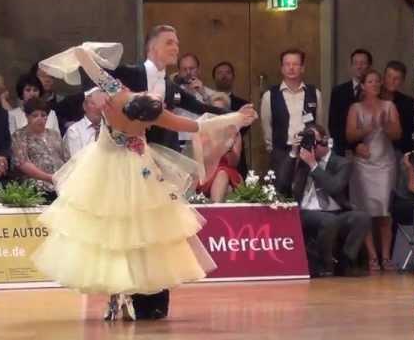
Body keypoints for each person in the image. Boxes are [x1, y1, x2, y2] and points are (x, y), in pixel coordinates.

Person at [33, 43, 257, 320]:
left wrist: (85, 52)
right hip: (137, 171)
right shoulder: (150, 109)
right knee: (144, 230)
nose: (149, 127)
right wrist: (238, 117)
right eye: (148, 124)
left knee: (111, 234)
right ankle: (132, 293)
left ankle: (120, 293)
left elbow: (87, 64)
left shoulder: (115, 93)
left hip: (104, 170)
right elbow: (198, 126)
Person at [276, 124, 370, 277]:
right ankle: (324, 264)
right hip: (306, 212)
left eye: (313, 141)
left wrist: (313, 165)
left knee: (362, 218)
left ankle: (345, 261)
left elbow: (334, 187)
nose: (310, 146)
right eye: (306, 141)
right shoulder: (301, 161)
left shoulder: (342, 163)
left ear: (325, 141)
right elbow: (281, 185)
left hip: (336, 212)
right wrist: (293, 153)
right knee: (328, 220)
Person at [346, 69, 402, 271]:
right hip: (363, 165)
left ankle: (386, 256)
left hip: (385, 163)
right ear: (363, 86)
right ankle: (372, 256)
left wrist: (386, 126)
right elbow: (350, 135)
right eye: (370, 81)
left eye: (377, 81)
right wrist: (367, 129)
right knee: (365, 212)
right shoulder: (355, 108)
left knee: (385, 211)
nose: (375, 84)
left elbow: (397, 135)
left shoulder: (389, 106)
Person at [11, 98, 70, 202]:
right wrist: (50, 178)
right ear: (27, 116)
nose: (40, 118)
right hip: (37, 185)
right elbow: (23, 164)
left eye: (43, 115)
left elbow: (66, 159)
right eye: (35, 115)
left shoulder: (54, 135)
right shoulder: (19, 135)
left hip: (61, 183)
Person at [195, 92, 243, 202]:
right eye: (214, 111)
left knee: (222, 173)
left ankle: (215, 210)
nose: (217, 115)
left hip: (228, 171)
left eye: (220, 111)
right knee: (226, 186)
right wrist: (220, 145)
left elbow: (234, 163)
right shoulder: (202, 131)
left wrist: (230, 150)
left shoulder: (234, 131)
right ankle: (216, 209)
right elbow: (203, 161)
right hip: (207, 172)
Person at [328, 49, 372, 157]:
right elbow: (333, 125)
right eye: (355, 63)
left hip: (371, 148)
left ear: (369, 66)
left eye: (363, 63)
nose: (359, 66)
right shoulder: (338, 91)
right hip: (344, 149)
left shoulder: (377, 91)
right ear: (351, 66)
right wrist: (354, 146)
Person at [63, 90, 102, 157]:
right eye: (93, 103)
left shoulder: (109, 128)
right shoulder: (74, 130)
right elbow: (77, 160)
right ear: (84, 106)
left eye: (100, 104)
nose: (98, 108)